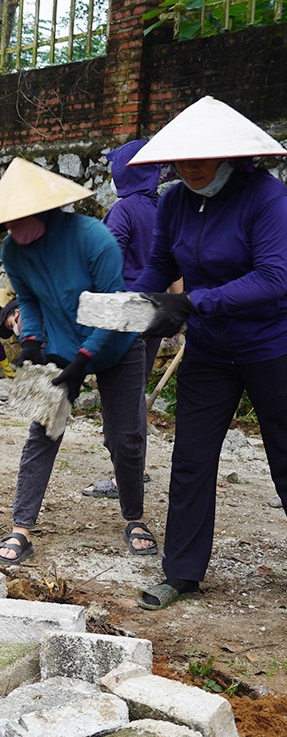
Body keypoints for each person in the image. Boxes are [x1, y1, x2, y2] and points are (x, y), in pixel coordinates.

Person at [124, 97, 287, 610]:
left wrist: (194, 301)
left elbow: (274, 277)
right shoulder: (173, 202)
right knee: (191, 459)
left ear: (231, 155)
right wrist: (127, 312)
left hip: (271, 347)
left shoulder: (267, 198)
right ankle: (182, 572)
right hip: (210, 353)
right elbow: (157, 269)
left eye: (202, 157)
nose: (189, 167)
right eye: (180, 159)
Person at [0, 158, 152, 565]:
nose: (11, 230)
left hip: (120, 342)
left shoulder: (93, 237)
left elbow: (113, 308)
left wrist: (84, 359)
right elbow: (29, 299)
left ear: (46, 210)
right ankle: (21, 528)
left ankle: (135, 517)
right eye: (5, 224)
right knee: (43, 432)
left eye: (19, 220)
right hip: (65, 347)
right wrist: (32, 341)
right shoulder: (13, 251)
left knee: (125, 436)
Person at [81, 140, 165, 499]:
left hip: (123, 315)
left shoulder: (124, 210)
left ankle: (124, 476)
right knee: (134, 395)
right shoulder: (164, 207)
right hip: (156, 312)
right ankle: (136, 467)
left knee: (123, 402)